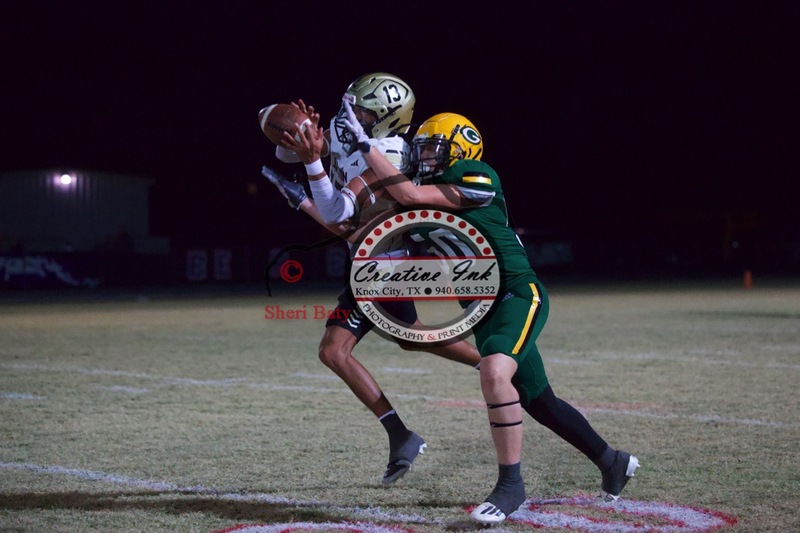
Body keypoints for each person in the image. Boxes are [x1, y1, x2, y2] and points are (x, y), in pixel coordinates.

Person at [290, 100, 640, 525]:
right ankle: (612, 461)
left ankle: (510, 487)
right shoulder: (420, 193)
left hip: (516, 292)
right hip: (481, 307)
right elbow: (352, 228)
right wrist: (306, 195)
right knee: (538, 400)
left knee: (493, 372)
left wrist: (365, 146)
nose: (424, 155)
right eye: (422, 148)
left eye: (434, 147)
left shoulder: (477, 176)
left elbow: (409, 194)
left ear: (460, 149)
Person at [261, 73, 482, 486]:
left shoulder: (392, 155)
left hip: (389, 263)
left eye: (362, 109)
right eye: (352, 104)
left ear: (385, 119)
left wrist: (309, 174)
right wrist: (303, 136)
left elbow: (339, 216)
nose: (352, 113)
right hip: (368, 259)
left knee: (353, 346)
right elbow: (287, 152)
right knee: (370, 343)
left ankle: (488, 370)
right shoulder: (353, 130)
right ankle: (405, 433)